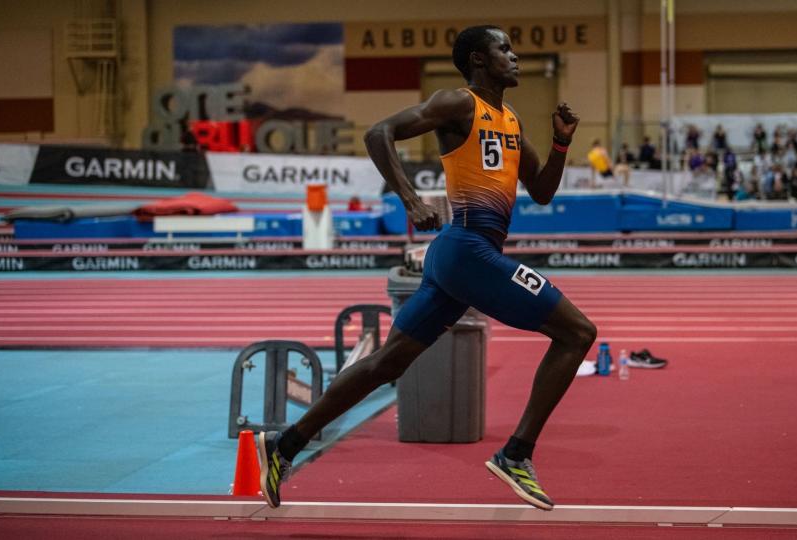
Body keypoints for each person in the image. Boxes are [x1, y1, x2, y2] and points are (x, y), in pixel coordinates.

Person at [255, 25, 596, 512]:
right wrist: (411, 199)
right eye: (505, 49)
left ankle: (283, 446)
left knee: (387, 363)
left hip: (460, 258)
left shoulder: (512, 120)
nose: (516, 57)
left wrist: (561, 144)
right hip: (467, 249)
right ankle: (516, 454)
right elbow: (379, 133)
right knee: (577, 333)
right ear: (479, 59)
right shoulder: (458, 103)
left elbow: (541, 191)